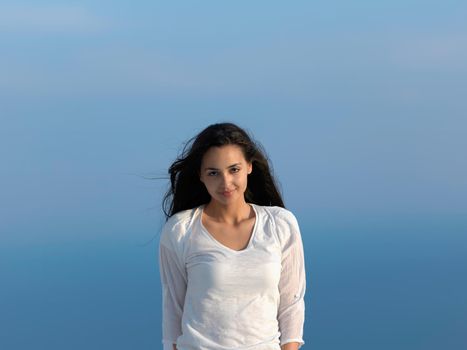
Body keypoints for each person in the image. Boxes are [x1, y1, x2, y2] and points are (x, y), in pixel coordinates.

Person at [158, 122, 307, 350]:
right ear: (200, 175)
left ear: (249, 166)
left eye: (234, 169)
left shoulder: (280, 224)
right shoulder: (181, 230)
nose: (225, 182)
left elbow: (291, 304)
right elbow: (173, 311)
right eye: (213, 173)